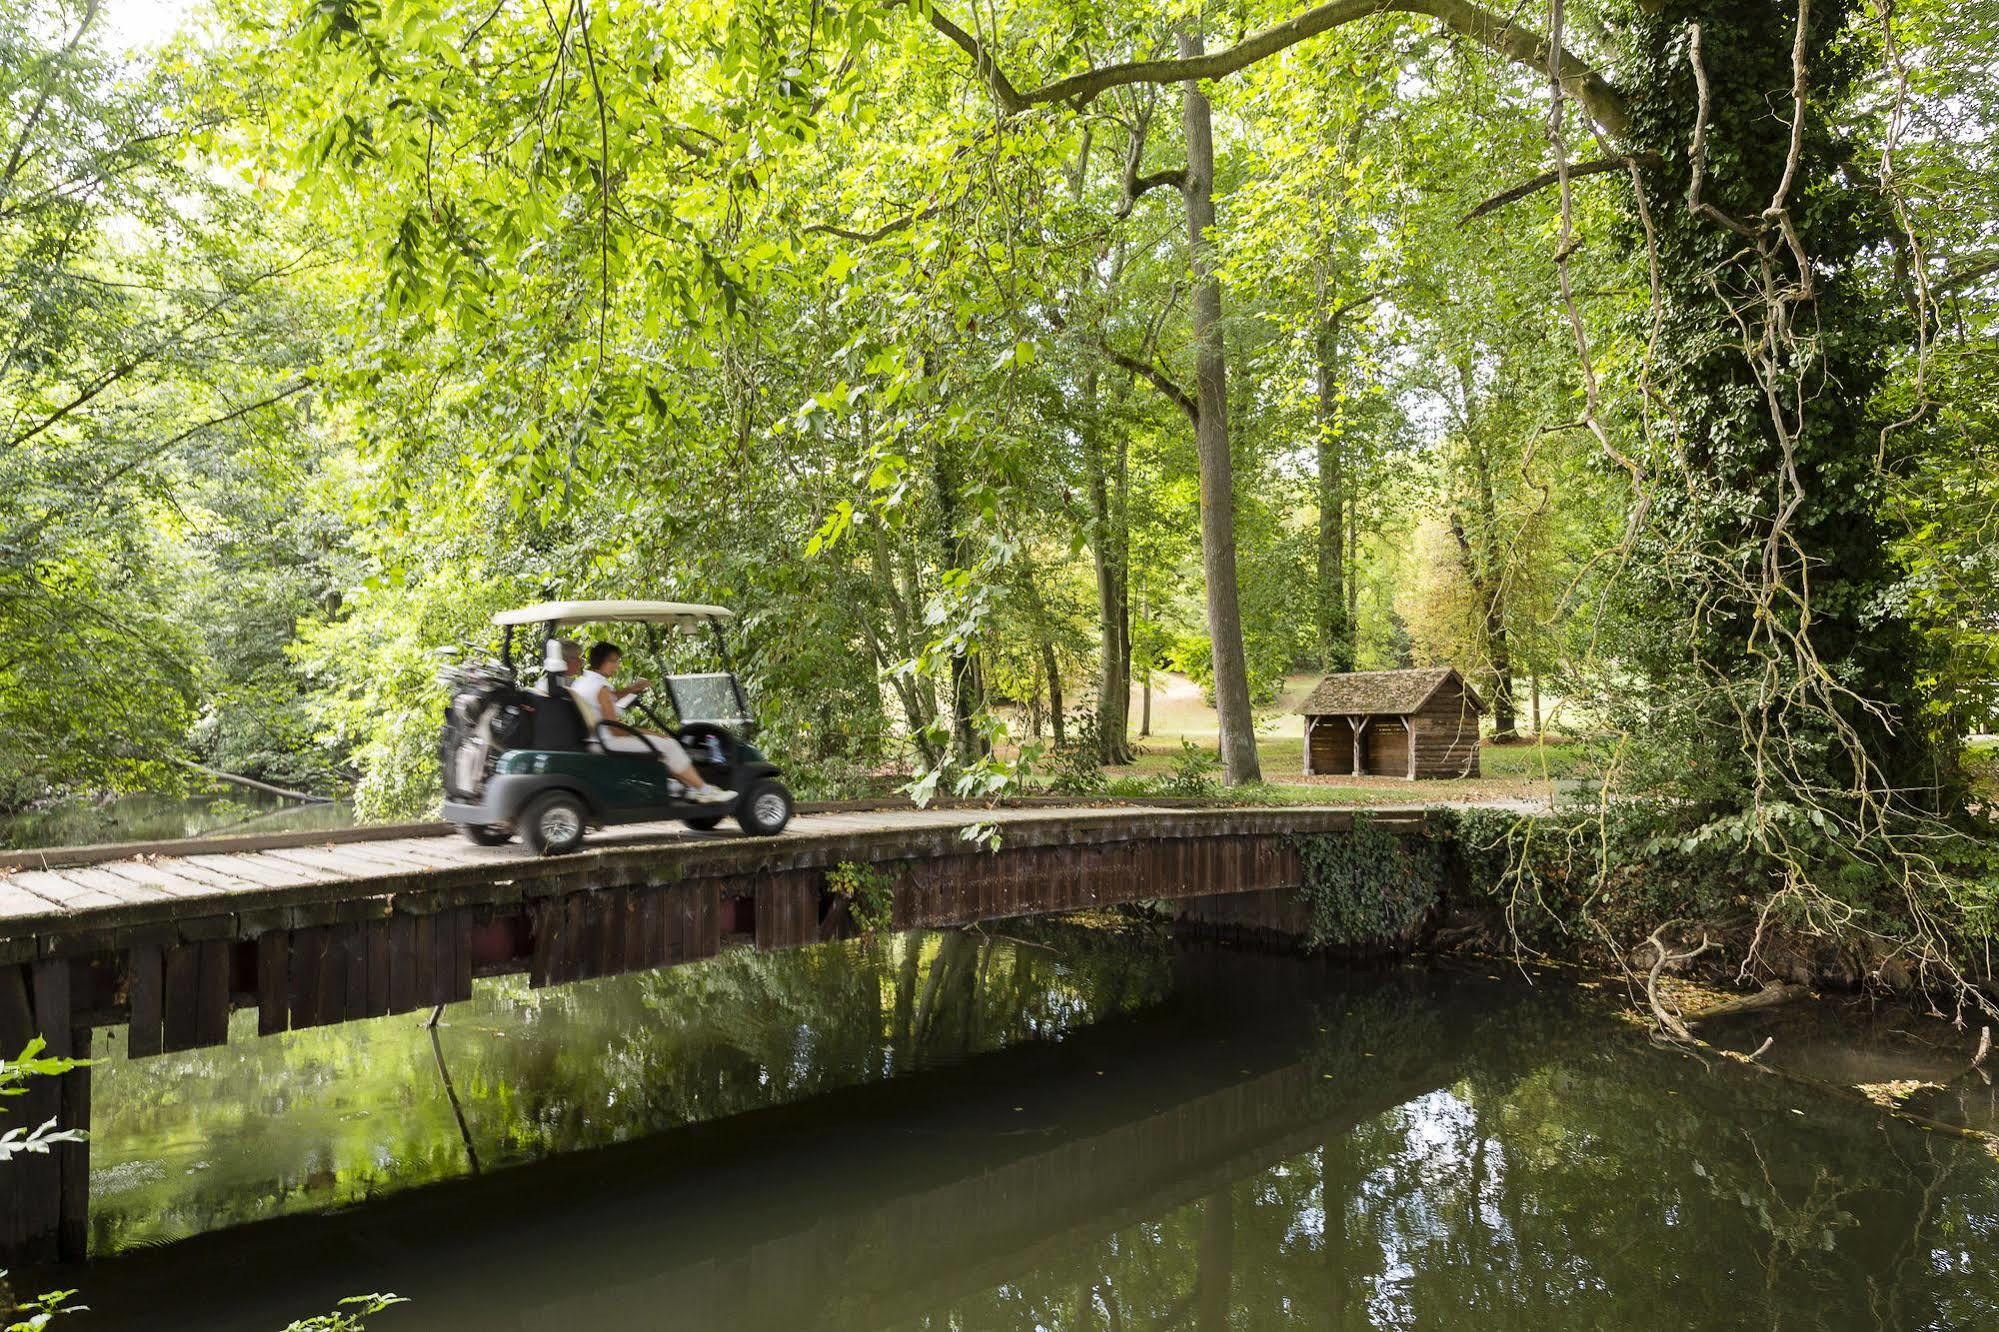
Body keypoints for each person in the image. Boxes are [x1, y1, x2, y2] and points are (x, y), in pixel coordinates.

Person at [574, 641, 734, 805]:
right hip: (608, 741)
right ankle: (705, 790)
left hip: (594, 740)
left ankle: (692, 789)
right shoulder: (602, 688)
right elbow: (616, 730)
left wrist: (631, 689)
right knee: (670, 745)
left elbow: (609, 698)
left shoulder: (584, 682)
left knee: (664, 750)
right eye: (614, 661)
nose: (618, 666)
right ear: (602, 662)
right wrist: (649, 733)